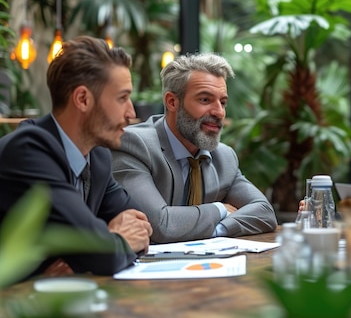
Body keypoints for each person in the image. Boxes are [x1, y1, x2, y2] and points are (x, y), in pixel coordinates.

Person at [0, 36, 152, 278]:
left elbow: (139, 225)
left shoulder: (97, 156)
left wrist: (99, 244)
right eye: (122, 98)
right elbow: (103, 255)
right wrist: (101, 245)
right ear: (82, 99)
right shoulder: (29, 150)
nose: (131, 113)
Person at [111, 53, 277, 243]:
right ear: (172, 102)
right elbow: (160, 226)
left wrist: (218, 229)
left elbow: (264, 211)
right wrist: (220, 209)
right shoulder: (134, 145)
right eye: (205, 100)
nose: (219, 112)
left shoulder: (224, 157)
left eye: (222, 102)